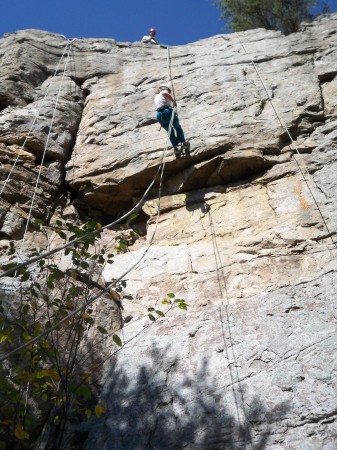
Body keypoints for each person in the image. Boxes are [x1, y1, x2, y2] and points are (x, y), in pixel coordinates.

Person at [154, 84, 189, 155]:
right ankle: (184, 143)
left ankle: (176, 148)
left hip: (159, 115)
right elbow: (165, 93)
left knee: (170, 132)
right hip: (167, 111)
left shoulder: (156, 97)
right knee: (177, 127)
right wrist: (173, 102)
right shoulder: (163, 91)